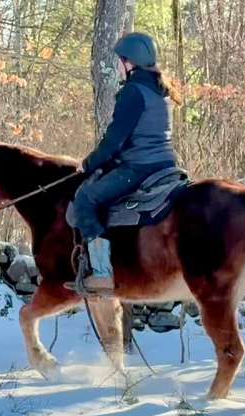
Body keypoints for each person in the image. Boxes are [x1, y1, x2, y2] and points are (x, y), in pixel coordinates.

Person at [70, 32, 182, 293]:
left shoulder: (133, 92)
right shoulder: (160, 90)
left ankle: (101, 272)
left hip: (140, 167)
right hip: (166, 165)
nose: (118, 67)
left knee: (86, 199)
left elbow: (114, 141)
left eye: (120, 61)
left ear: (130, 62)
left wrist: (87, 164)